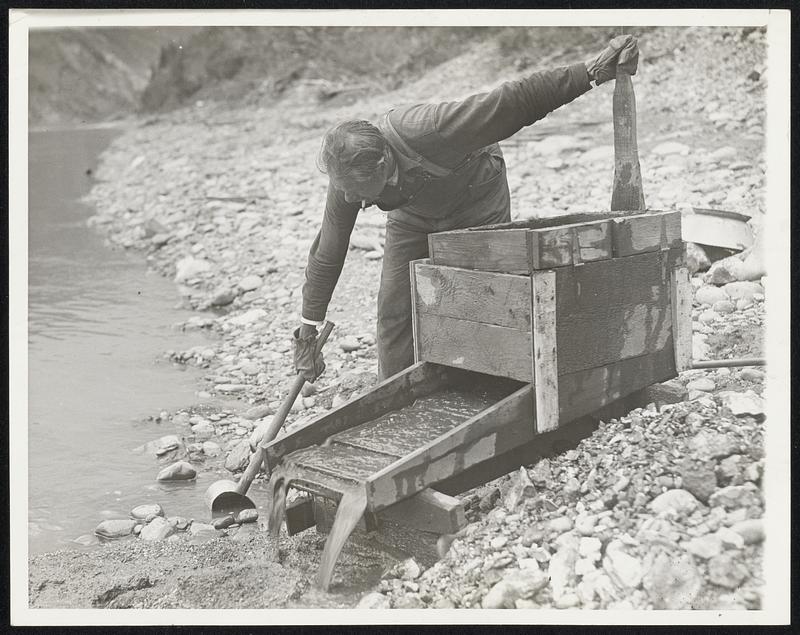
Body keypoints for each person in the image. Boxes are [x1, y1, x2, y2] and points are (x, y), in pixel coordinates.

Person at [294, 34, 639, 383]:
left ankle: (493, 383)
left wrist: (591, 73)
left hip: (478, 197)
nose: (352, 201)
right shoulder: (347, 179)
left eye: (358, 193)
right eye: (346, 192)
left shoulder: (431, 128)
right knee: (393, 310)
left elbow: (514, 100)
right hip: (413, 217)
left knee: (486, 295)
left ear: (383, 163)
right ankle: (394, 393)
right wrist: (308, 330)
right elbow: (329, 249)